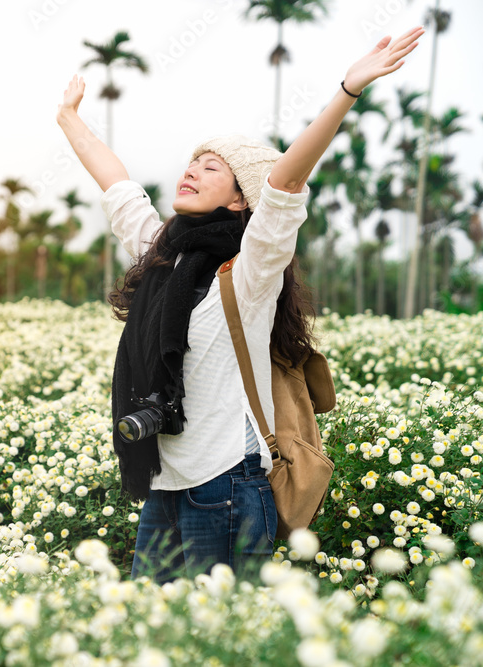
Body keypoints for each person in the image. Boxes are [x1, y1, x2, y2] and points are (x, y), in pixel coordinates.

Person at [56, 27, 424, 582]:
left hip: (226, 483)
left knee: (220, 639)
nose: (191, 171)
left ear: (239, 197)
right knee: (144, 633)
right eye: (191, 162)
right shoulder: (163, 257)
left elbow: (285, 182)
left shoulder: (251, 270)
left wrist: (347, 90)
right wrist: (68, 119)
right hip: (165, 483)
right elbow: (117, 185)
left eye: (211, 168)